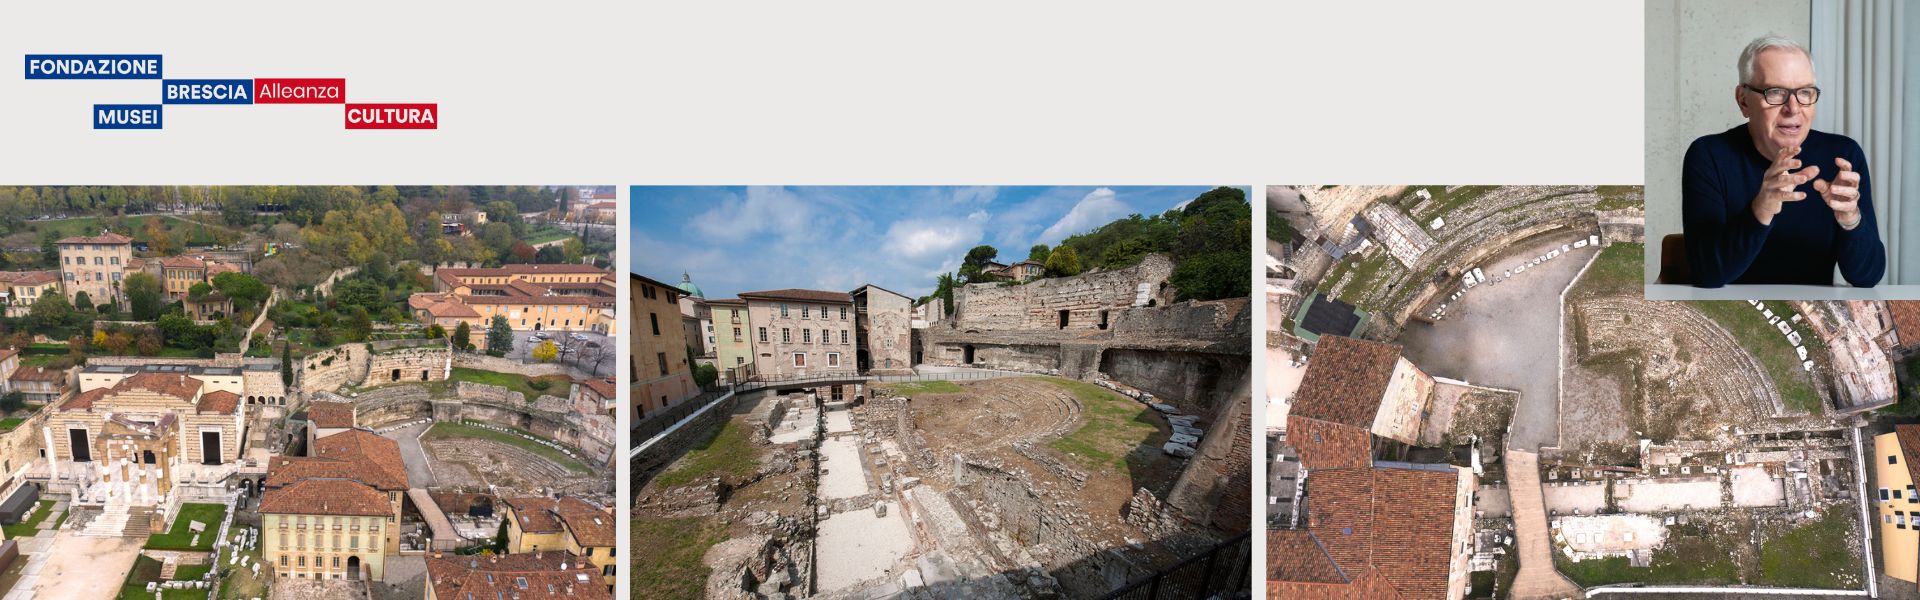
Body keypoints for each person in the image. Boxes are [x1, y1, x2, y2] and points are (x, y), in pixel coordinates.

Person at [1682, 35, 1884, 287]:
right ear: (1743, 100)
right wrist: (1761, 210)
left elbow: (1867, 277)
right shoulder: (1709, 155)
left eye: (1805, 92)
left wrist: (1851, 220)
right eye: (1775, 92)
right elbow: (1707, 274)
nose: (1793, 108)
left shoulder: (1843, 155)